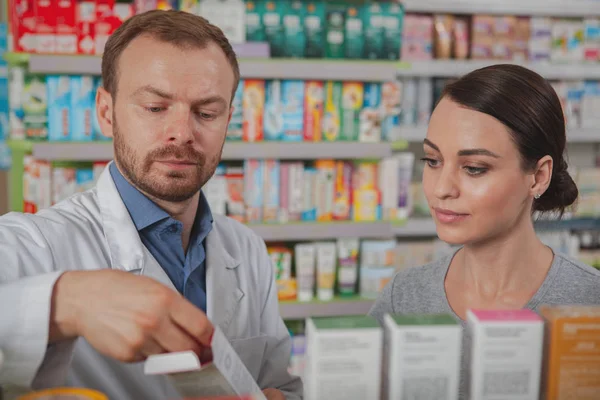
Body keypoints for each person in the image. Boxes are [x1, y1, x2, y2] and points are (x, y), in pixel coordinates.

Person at [0, 10, 301, 400]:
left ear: (228, 119)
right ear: (107, 114)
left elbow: (281, 383)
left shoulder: (246, 248)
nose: (182, 132)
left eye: (206, 112)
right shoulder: (34, 241)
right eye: (156, 108)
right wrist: (67, 301)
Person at [369, 64, 600, 399]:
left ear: (537, 176)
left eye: (474, 168)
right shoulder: (404, 297)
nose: (441, 189)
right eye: (433, 160)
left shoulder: (590, 303)